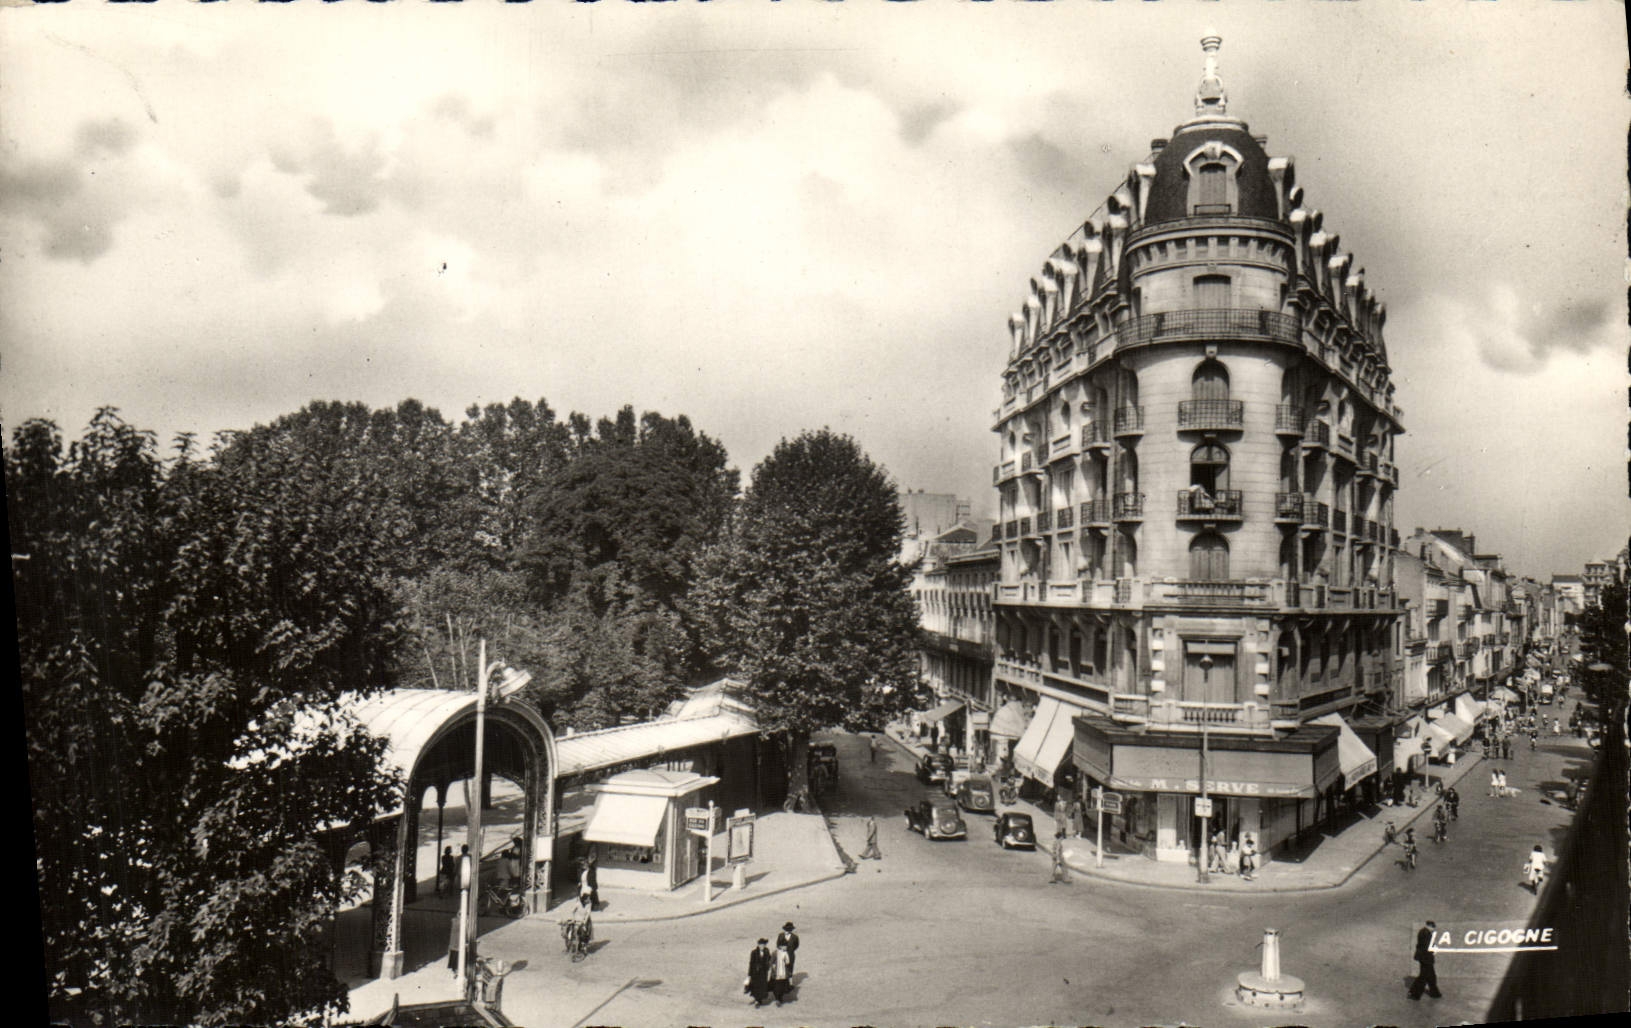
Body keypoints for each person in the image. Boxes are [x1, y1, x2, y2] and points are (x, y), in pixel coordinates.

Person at [1409, 920, 1443, 1000]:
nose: (1433, 930)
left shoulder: (1423, 932)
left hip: (1424, 957)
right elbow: (1427, 946)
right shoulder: (1426, 933)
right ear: (1430, 926)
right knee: (1424, 976)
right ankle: (1415, 994)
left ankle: (1434, 993)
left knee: (1431, 976)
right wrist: (1434, 950)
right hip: (1426, 958)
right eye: (1433, 928)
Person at [745, 939, 773, 1007]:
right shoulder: (754, 952)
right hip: (756, 973)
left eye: (763, 945)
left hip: (763, 973)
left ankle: (759, 1000)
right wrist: (749, 974)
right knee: (756, 986)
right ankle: (757, 1000)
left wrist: (769, 966)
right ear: (758, 945)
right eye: (761, 945)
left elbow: (769, 959)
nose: (762, 946)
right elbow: (751, 963)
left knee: (762, 986)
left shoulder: (767, 951)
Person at [770, 940, 794, 1006]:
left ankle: (780, 997)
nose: (786, 947)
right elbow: (771, 961)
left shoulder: (785, 953)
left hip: (783, 972)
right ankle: (777, 999)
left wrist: (786, 959)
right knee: (776, 986)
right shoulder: (775, 953)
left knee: (782, 985)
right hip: (777, 972)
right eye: (784, 946)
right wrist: (773, 966)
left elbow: (787, 963)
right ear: (780, 946)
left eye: (786, 946)